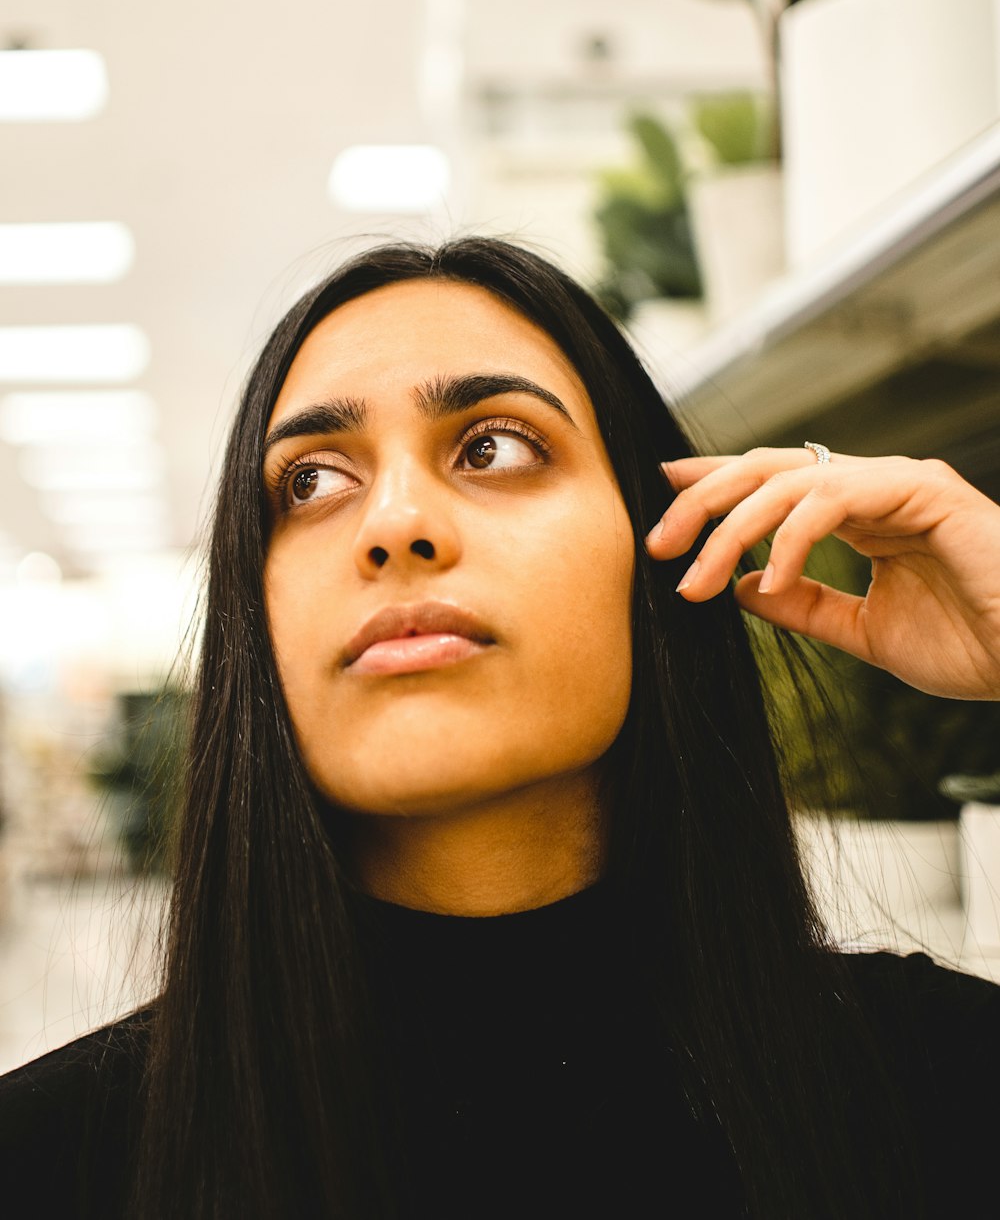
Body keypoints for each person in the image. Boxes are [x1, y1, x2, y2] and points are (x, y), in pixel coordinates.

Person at [2, 235, 1000, 1220]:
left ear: (657, 559)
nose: (392, 521)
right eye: (310, 480)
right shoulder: (50, 1163)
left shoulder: (943, 1091)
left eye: (493, 446)